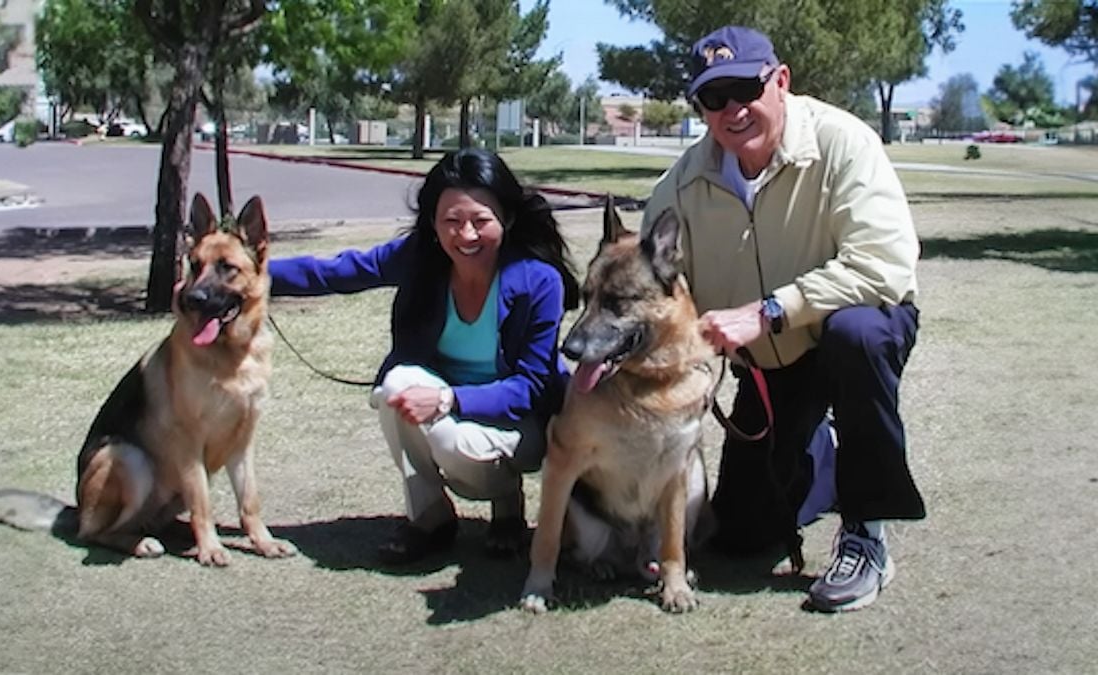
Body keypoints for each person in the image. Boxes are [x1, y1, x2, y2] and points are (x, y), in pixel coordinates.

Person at [640, 26, 925, 612]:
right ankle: (820, 451)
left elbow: (884, 267)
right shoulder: (683, 183)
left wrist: (770, 310)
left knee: (858, 334)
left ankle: (866, 534)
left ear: (781, 81)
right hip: (770, 368)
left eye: (745, 87)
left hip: (846, 333)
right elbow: (651, 283)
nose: (732, 110)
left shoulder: (844, 141)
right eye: (712, 99)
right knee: (740, 536)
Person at [269, 148, 580, 565]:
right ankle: (430, 517)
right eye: (451, 221)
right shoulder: (421, 258)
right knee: (397, 386)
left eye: (480, 221)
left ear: (505, 218)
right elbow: (335, 271)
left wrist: (449, 400)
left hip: (521, 424)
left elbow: (531, 387)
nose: (465, 235)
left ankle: (507, 503)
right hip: (448, 409)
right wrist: (244, 271)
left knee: (452, 441)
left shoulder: (538, 281)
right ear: (433, 223)